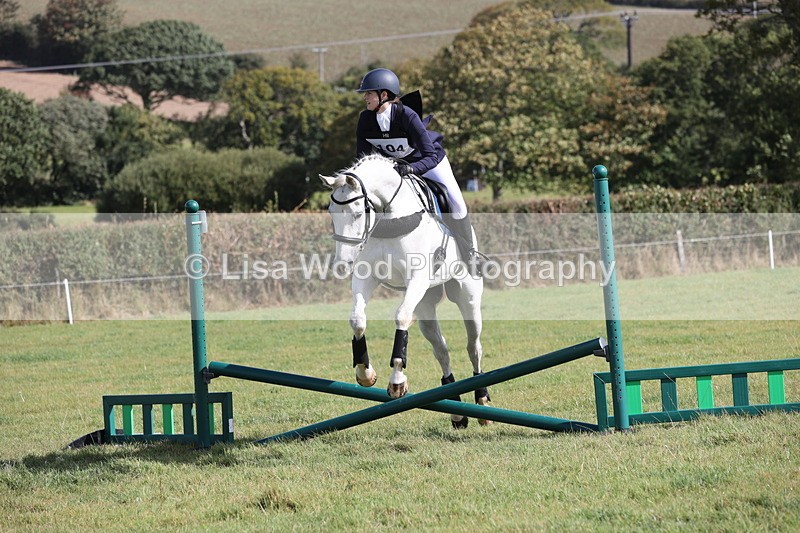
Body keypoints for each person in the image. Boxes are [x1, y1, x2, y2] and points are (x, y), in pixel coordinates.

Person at [354, 67, 484, 275]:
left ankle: (470, 255)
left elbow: (430, 156)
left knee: (457, 202)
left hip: (429, 162)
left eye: (368, 93)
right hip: (398, 168)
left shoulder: (407, 115)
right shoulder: (365, 120)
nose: (365, 97)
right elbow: (362, 160)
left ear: (384, 95)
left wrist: (412, 168)